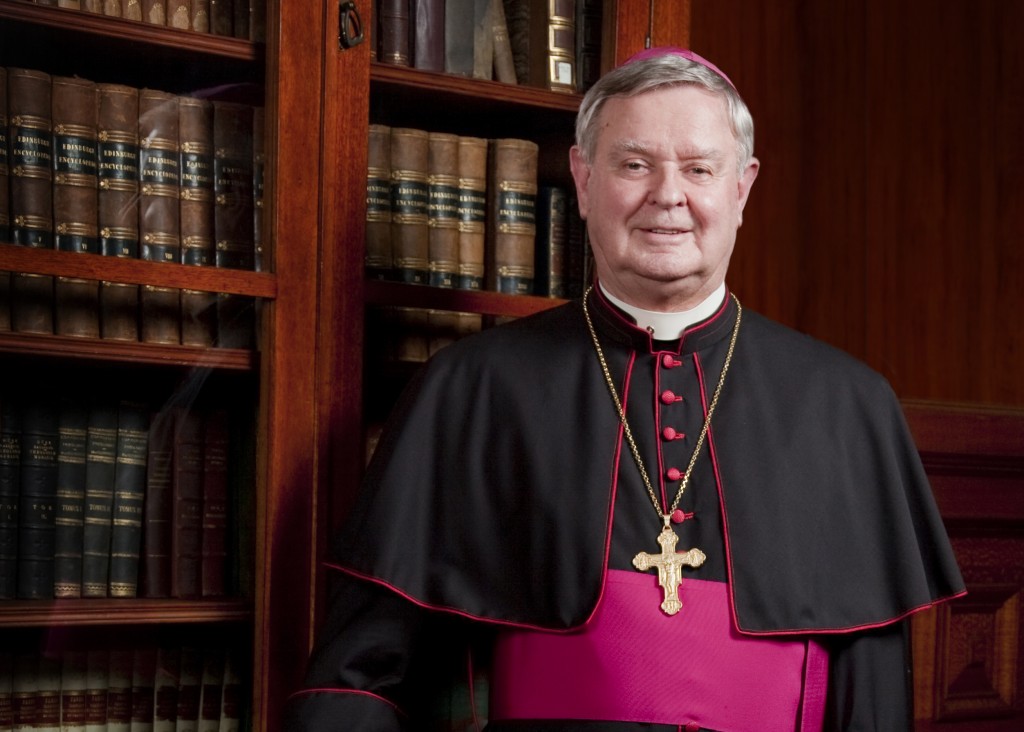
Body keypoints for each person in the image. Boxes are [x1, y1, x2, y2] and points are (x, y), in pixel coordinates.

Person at [286, 47, 965, 731]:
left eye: (700, 169)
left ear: (742, 189)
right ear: (583, 181)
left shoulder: (847, 405)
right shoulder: (471, 388)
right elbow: (361, 680)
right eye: (634, 165)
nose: (667, 196)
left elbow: (872, 697)